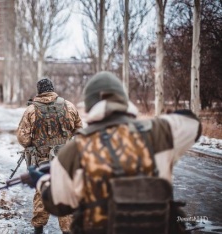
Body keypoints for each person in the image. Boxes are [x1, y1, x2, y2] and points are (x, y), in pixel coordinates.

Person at [29, 71, 202, 234]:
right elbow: (193, 124)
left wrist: (43, 182)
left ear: (90, 106)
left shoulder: (74, 152)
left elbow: (59, 204)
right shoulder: (159, 132)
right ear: (124, 100)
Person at [17, 78, 83, 234]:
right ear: (52, 89)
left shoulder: (31, 110)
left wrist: (33, 144)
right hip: (65, 159)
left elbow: (22, 137)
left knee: (41, 191)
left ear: (39, 91)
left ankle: (38, 228)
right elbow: (80, 131)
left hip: (42, 159)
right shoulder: (69, 106)